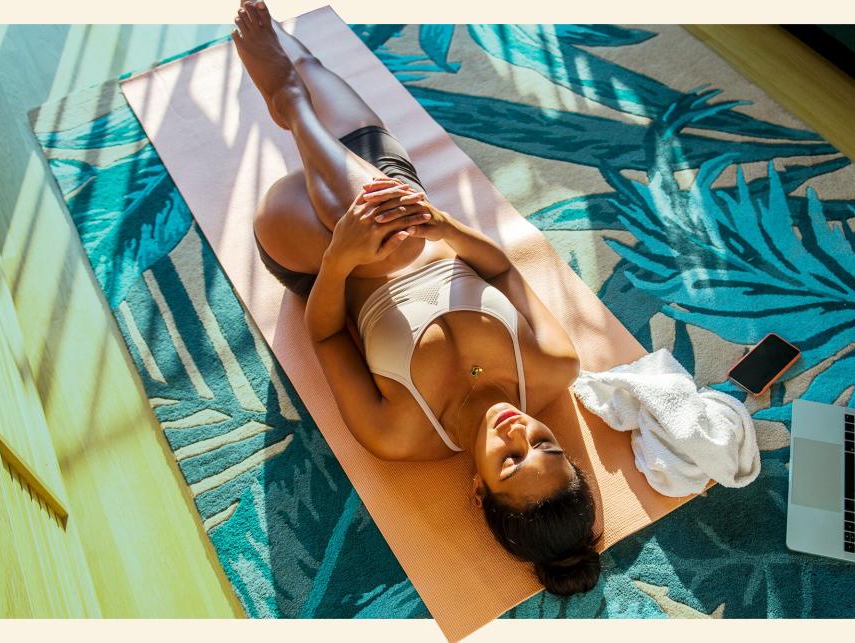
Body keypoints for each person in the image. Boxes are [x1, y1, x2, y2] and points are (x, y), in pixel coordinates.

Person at [232, 1, 601, 595]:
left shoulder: (400, 434)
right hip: (397, 197)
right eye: (545, 444)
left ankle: (292, 109)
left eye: (510, 461)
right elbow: (502, 271)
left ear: (478, 489)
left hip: (312, 247)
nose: (518, 431)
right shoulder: (554, 366)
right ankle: (293, 95)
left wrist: (344, 257)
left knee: (390, 247)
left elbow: (324, 333)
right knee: (303, 60)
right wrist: (446, 228)